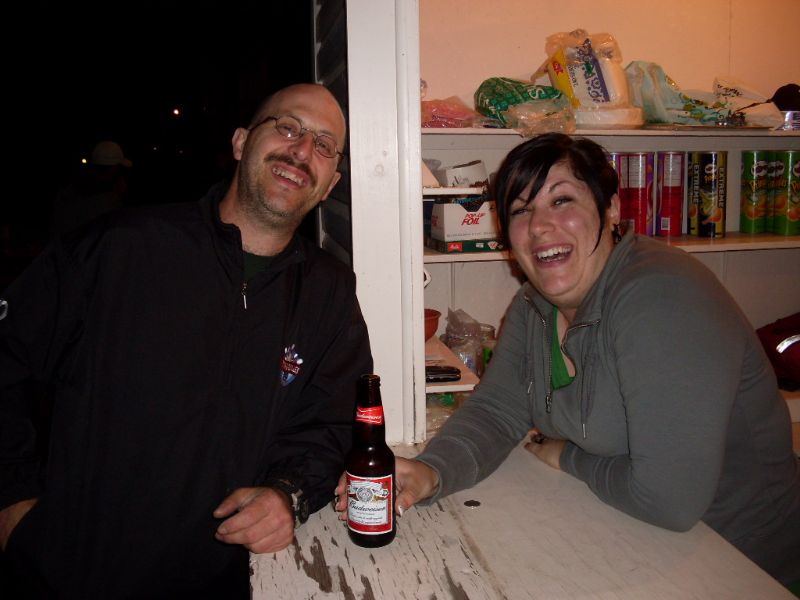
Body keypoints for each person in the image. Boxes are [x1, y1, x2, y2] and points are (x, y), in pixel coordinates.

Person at [337, 133, 799, 586]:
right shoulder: (533, 304)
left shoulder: (663, 298)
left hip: (745, 562)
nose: (540, 225)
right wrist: (431, 472)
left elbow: (669, 500)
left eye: (562, 200)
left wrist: (568, 456)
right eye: (521, 210)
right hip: (635, 540)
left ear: (611, 208)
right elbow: (497, 410)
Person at [0, 83, 372, 597]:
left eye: (324, 145)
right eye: (287, 127)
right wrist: (12, 496)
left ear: (330, 184)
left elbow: (334, 422)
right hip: (75, 572)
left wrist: (288, 493)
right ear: (241, 142)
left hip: (223, 579)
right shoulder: (118, 249)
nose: (302, 150)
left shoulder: (329, 292)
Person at [50, 140, 132, 236]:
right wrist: (116, 196)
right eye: (119, 168)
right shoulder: (104, 200)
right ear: (111, 169)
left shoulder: (77, 185)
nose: (121, 174)